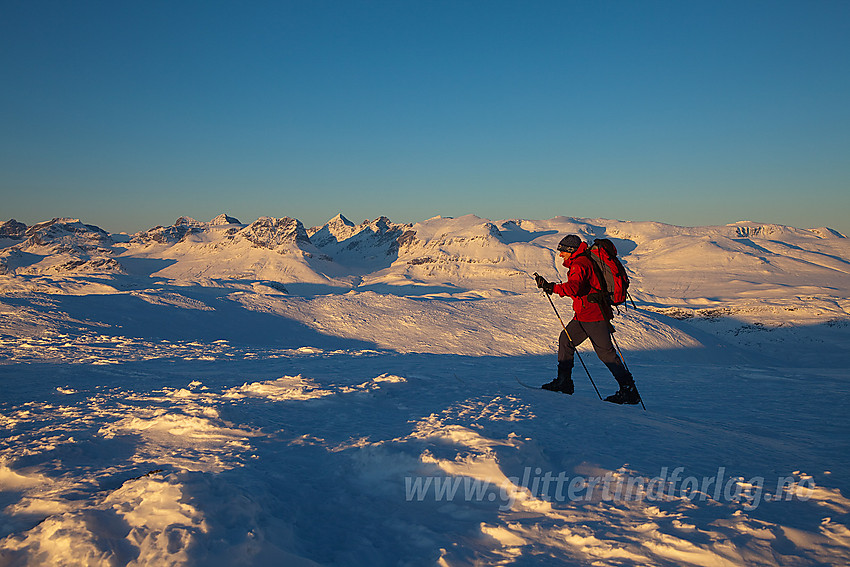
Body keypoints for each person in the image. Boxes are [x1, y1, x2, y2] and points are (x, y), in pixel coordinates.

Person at [535, 234, 641, 404]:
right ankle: (564, 382)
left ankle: (629, 391)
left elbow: (574, 288)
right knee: (566, 340)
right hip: (585, 314)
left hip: (594, 315)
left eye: (562, 251)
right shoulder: (581, 261)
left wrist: (552, 287)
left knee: (606, 354)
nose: (560, 254)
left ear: (570, 250)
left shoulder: (580, 264)